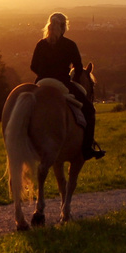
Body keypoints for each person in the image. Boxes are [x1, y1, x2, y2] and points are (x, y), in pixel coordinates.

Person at [29, 11, 104, 160]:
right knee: (89, 110)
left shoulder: (41, 44)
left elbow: (33, 66)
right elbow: (77, 67)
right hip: (62, 82)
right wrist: (73, 81)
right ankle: (87, 149)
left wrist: (43, 74)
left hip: (41, 82)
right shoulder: (69, 45)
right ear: (64, 27)